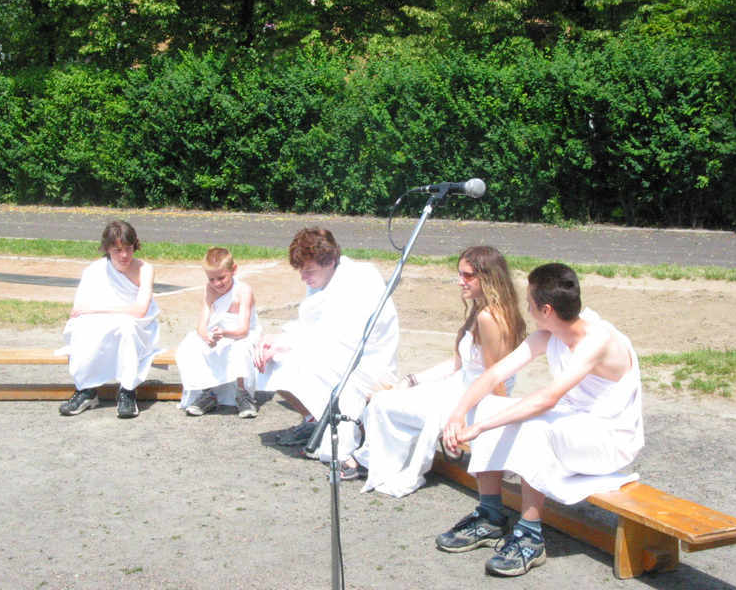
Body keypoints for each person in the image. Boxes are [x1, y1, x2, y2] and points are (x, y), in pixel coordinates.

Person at [438, 263, 643, 577]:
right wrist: (458, 414)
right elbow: (495, 373)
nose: (527, 309)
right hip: (575, 427)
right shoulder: (551, 334)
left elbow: (547, 398)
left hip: (610, 440)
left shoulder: (597, 340)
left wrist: (478, 428)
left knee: (532, 426)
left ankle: (530, 536)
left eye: (530, 303)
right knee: (491, 406)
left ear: (547, 310)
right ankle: (490, 515)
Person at [350, 246, 525, 491]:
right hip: (460, 387)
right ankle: (374, 459)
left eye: (467, 275)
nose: (460, 281)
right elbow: (459, 363)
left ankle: (371, 462)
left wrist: (499, 422)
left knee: (381, 402)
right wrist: (412, 380)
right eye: (459, 274)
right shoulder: (482, 309)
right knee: (383, 395)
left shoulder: (489, 317)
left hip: (474, 399)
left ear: (489, 277)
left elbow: (494, 377)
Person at [254, 228, 399, 465]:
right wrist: (275, 340)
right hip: (336, 354)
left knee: (291, 360)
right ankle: (314, 420)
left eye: (308, 271)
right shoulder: (326, 277)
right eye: (301, 271)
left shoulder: (359, 280)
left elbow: (338, 341)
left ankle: (348, 429)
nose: (303, 277)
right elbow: (310, 326)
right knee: (266, 356)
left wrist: (284, 345)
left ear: (330, 261)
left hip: (367, 367)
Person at [58, 220, 161, 419]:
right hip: (104, 321)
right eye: (118, 250)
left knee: (126, 327)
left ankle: (127, 391)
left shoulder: (145, 269)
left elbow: (140, 311)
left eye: (129, 248)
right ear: (107, 248)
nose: (124, 255)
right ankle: (86, 390)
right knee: (81, 328)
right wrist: (95, 313)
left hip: (138, 325)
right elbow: (79, 311)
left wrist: (98, 310)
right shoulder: (94, 271)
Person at [175, 247, 260, 418]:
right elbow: (201, 325)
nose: (217, 284)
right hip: (218, 332)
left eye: (221, 278)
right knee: (191, 345)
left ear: (233, 270)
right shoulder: (209, 289)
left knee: (240, 349)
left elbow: (244, 329)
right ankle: (208, 393)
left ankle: (243, 394)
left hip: (241, 334)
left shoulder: (243, 290)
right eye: (211, 279)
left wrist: (225, 333)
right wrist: (207, 337)